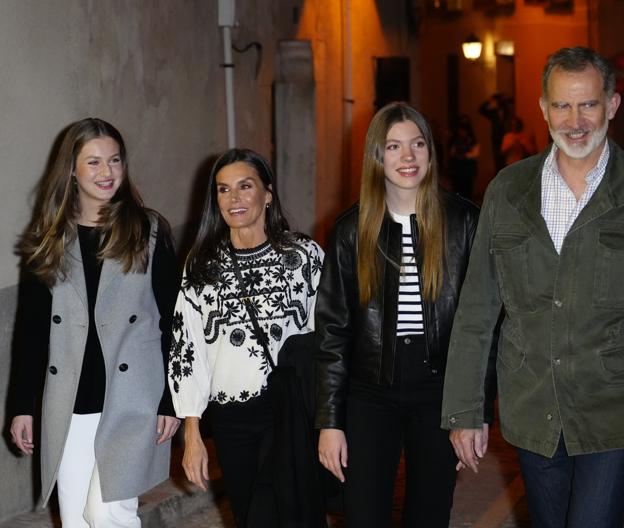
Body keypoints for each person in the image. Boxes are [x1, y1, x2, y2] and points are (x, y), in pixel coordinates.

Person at [442, 47, 624, 528]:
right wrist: (465, 409)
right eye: (562, 106)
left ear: (612, 104)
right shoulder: (508, 189)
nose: (575, 120)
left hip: (612, 409)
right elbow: (478, 307)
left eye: (588, 104)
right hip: (532, 407)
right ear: (543, 109)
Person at [315, 102, 496, 527]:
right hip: (368, 394)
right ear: (377, 158)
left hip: (439, 393)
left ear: (431, 153)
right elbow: (332, 333)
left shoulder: (464, 222)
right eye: (393, 147)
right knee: (363, 515)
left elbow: (484, 325)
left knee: (430, 515)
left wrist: (475, 411)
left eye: (417, 144)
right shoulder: (349, 231)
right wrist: (330, 421)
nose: (408, 157)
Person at [10, 118, 180, 528]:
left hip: (132, 399)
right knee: (75, 519)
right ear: (71, 169)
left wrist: (171, 400)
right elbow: (31, 331)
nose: (107, 172)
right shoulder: (50, 238)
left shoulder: (147, 232)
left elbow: (175, 322)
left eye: (115, 160)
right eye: (94, 162)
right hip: (68, 402)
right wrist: (21, 406)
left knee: (106, 512)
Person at [168, 148, 324, 528]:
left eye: (245, 186)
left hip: (288, 413)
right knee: (246, 513)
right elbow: (186, 346)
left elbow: (331, 340)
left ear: (267, 193)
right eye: (223, 190)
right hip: (231, 419)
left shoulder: (304, 256)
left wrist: (332, 419)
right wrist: (192, 430)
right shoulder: (202, 263)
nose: (233, 198)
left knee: (279, 514)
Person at [479, 92, 514, 172]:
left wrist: (504, 98)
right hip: (496, 138)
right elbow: (481, 110)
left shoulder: (506, 109)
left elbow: (512, 101)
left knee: (506, 160)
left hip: (507, 137)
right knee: (497, 159)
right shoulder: (493, 112)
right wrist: (489, 100)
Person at [447, 113, 480, 200]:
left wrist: (465, 156)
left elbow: (476, 154)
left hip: (467, 170)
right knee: (457, 192)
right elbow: (451, 154)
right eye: (460, 129)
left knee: (467, 192)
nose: (461, 132)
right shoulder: (454, 140)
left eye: (463, 129)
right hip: (457, 170)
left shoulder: (472, 140)